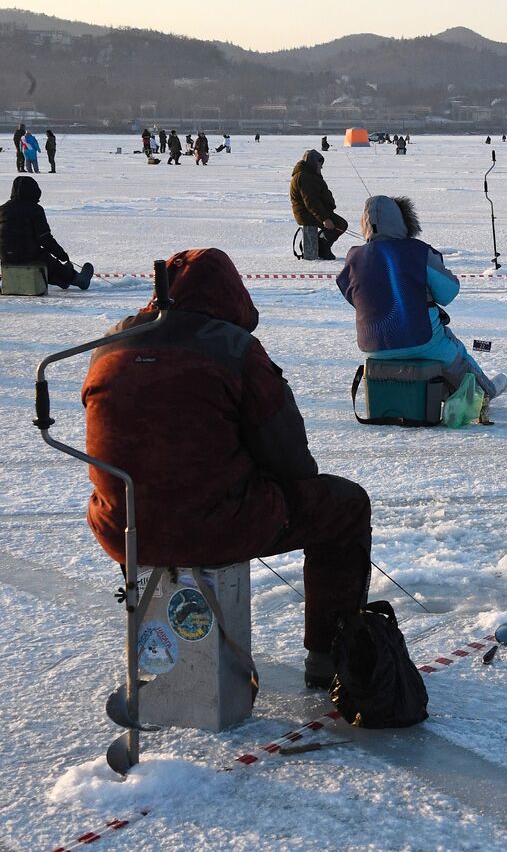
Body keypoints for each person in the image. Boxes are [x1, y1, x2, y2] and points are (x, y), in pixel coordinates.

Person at [82, 247, 371, 688]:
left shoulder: (108, 345)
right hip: (220, 524)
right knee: (346, 507)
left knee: (141, 498)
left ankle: (155, 641)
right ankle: (329, 656)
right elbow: (292, 461)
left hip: (122, 527)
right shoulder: (234, 349)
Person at [337, 195, 507, 405]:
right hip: (423, 339)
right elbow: (449, 292)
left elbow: (351, 293)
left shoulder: (353, 258)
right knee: (454, 350)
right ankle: (482, 392)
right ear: (402, 221)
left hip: (372, 346)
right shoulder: (418, 252)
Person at [0, 175, 93, 290]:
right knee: (45, 261)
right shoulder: (35, 209)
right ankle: (79, 280)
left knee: (40, 261)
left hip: (6, 257)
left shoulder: (0, 210)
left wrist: (5, 256)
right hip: (30, 255)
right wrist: (61, 254)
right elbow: (44, 237)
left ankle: (61, 280)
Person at [290, 149, 346, 260]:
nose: (321, 167)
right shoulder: (304, 176)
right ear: (312, 162)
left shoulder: (312, 174)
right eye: (319, 163)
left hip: (314, 212)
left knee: (340, 225)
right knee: (340, 224)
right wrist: (325, 218)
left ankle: (320, 245)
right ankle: (322, 248)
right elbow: (311, 201)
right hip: (307, 214)